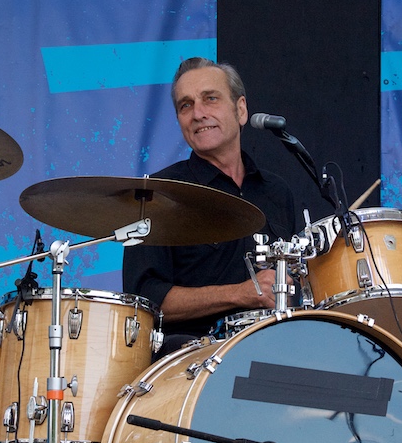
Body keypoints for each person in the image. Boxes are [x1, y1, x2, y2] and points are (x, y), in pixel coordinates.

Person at [122, 57, 297, 354]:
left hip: (275, 353)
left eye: (210, 99)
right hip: (192, 364)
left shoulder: (276, 192)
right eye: (185, 105)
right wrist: (241, 294)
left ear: (240, 110)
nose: (198, 114)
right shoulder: (158, 194)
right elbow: (145, 300)